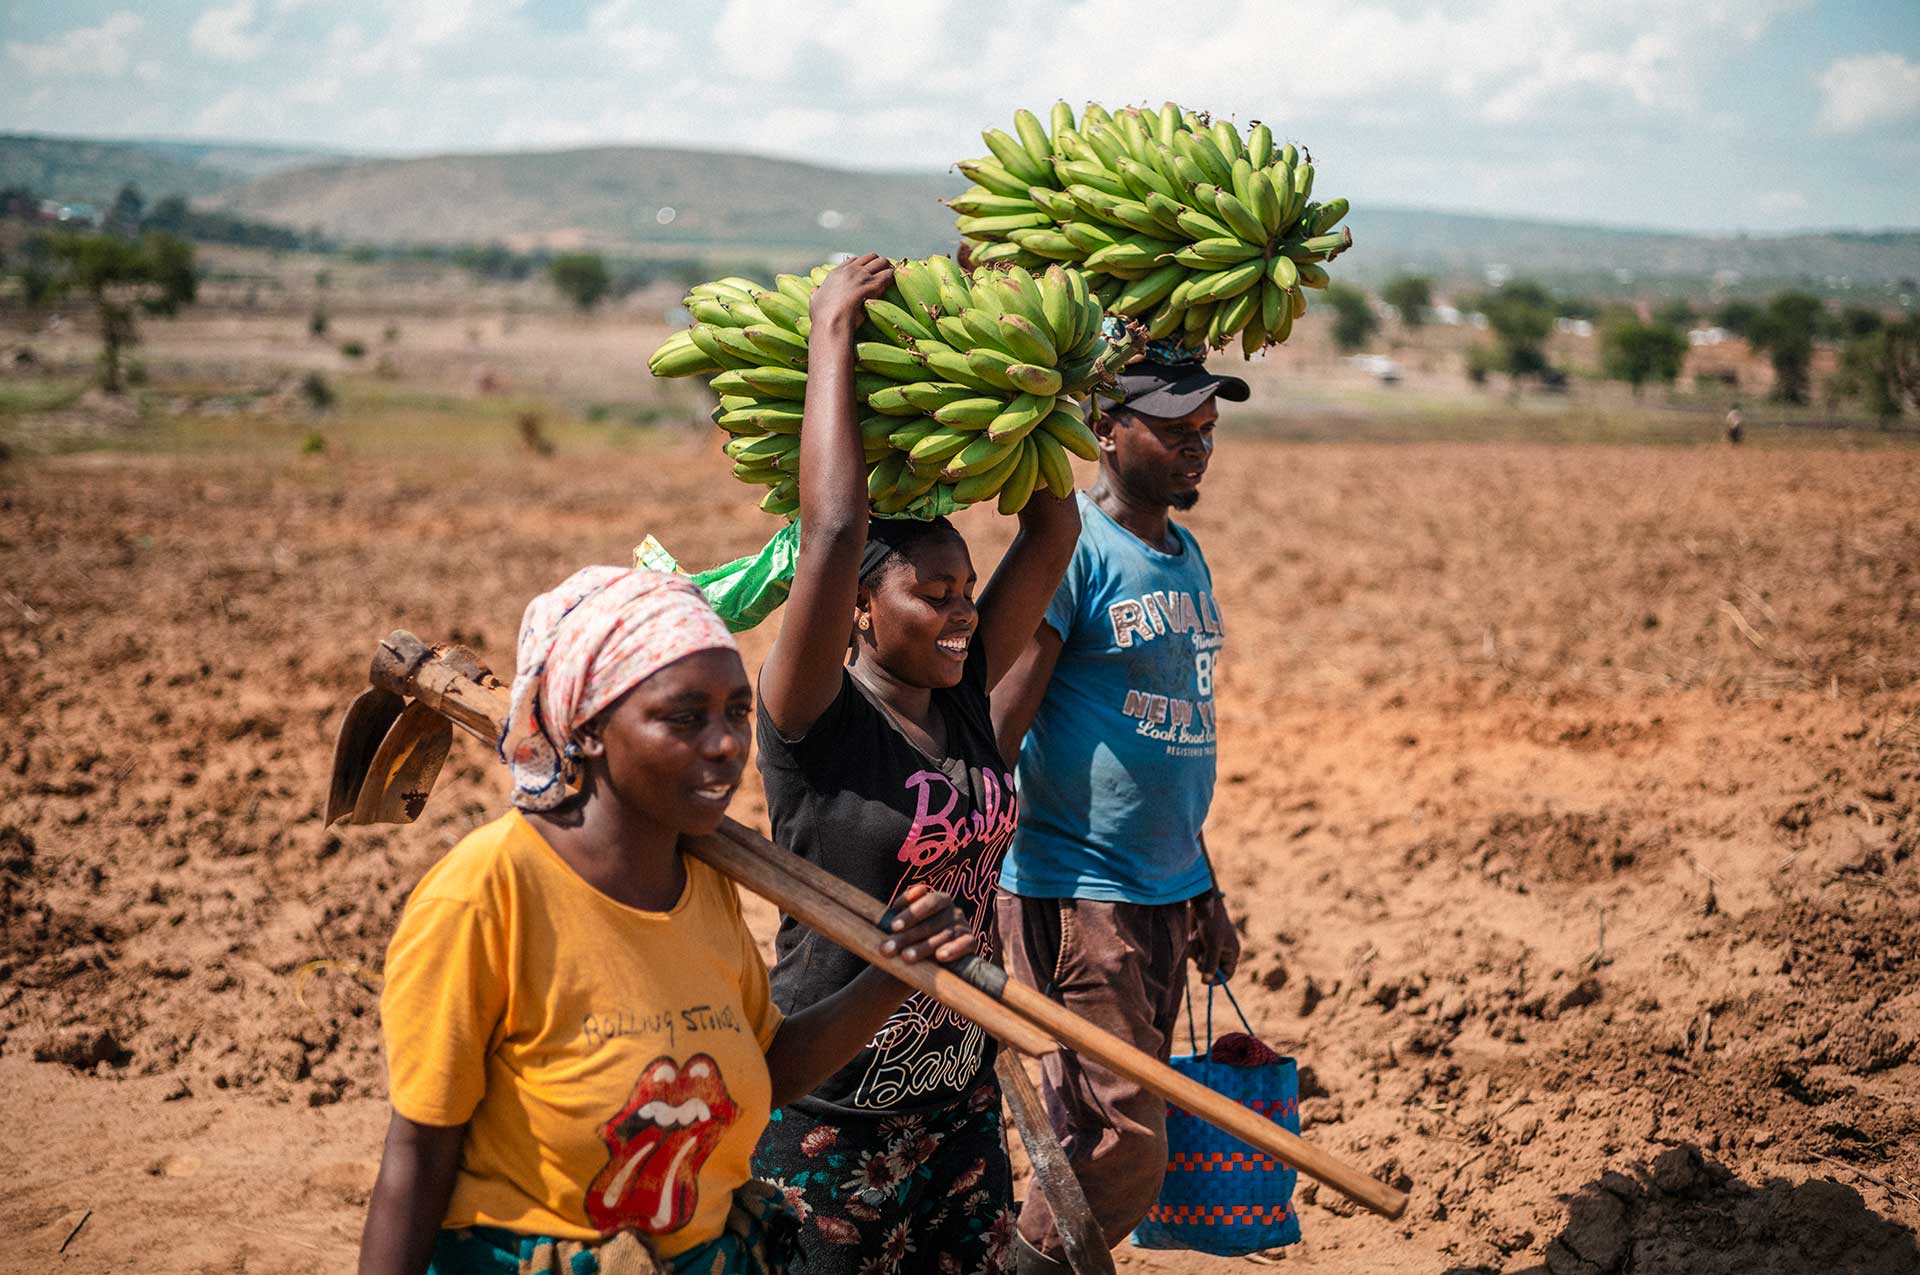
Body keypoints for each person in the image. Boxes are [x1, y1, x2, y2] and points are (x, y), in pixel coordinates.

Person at [357, 566, 979, 1275]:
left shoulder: (704, 882)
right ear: (585, 729)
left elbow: (759, 1072)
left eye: (736, 712)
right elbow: (415, 1160)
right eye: (684, 717)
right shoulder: (486, 898)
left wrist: (892, 977)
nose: (724, 743)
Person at [748, 253, 1081, 1273]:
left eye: (966, 590)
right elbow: (836, 528)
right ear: (859, 603)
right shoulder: (816, 718)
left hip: (961, 1097)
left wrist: (1015, 351)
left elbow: (1056, 524)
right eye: (928, 593)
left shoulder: (967, 698)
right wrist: (831, 336)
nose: (960, 612)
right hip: (832, 1111)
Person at [990, 353, 1250, 1273]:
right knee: (1126, 1140)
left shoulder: (1184, 554)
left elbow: (1178, 732)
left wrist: (1205, 888)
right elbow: (1002, 718)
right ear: (1105, 429)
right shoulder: (1074, 555)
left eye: (1207, 427)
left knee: (1087, 1133)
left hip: (1164, 890)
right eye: (1175, 426)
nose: (1198, 443)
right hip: (1078, 893)